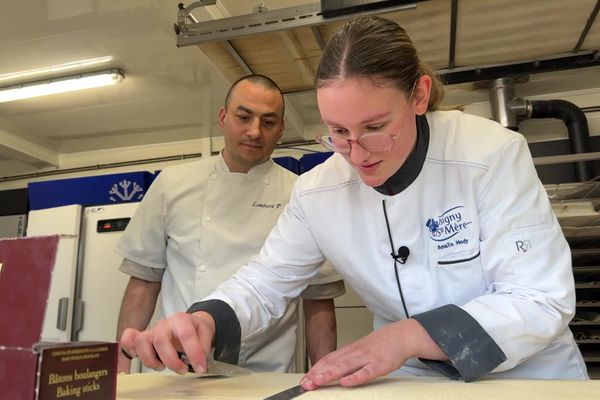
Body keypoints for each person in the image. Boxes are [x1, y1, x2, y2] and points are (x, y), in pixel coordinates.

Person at [121, 16, 588, 389]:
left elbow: (539, 298)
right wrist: (206, 318)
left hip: (530, 376)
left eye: (374, 127)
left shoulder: (490, 154)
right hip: (413, 381)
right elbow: (266, 281)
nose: (356, 153)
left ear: (419, 96)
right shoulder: (318, 190)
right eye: (338, 133)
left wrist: (405, 336)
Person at [115, 74, 345, 374]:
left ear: (281, 129)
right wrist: (119, 369)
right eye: (244, 117)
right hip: (175, 368)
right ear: (223, 117)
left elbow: (318, 300)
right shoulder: (171, 184)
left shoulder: (301, 193)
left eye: (268, 121)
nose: (254, 131)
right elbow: (144, 281)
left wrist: (325, 379)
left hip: (265, 371)